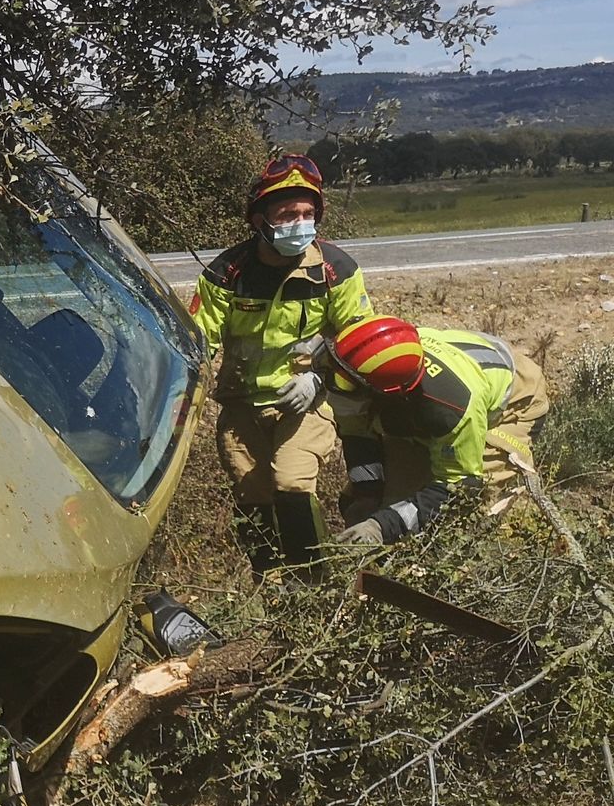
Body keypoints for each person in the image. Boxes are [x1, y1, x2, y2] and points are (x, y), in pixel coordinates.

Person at [191, 154, 375, 579]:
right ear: (260, 220)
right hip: (242, 406)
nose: (300, 223)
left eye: (308, 214)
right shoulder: (227, 272)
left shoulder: (335, 270)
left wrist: (318, 379)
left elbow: (359, 343)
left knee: (292, 483)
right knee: (251, 495)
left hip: (307, 401)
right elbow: (199, 342)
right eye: (288, 214)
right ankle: (271, 587)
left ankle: (313, 584)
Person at [326, 316, 550, 546]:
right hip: (431, 395)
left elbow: (459, 487)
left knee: (475, 513)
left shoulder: (450, 411)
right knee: (383, 501)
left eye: (343, 383)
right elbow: (357, 433)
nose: (331, 383)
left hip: (513, 403)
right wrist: (367, 494)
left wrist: (383, 527)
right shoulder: (367, 363)